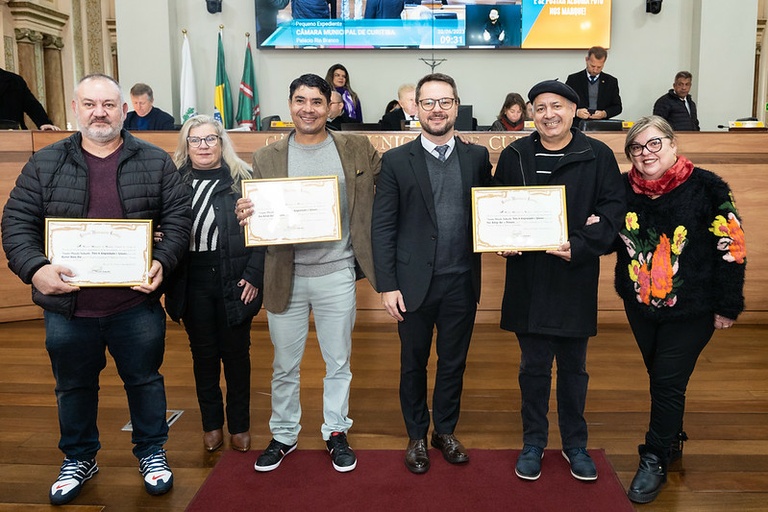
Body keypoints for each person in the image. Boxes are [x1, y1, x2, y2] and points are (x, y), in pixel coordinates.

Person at [0, 73, 191, 505]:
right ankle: (80, 457)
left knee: (144, 381)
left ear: (124, 110)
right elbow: (15, 224)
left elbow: (179, 221)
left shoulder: (155, 161)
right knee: (73, 387)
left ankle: (151, 452)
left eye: (108, 104)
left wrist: (164, 261)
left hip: (135, 303)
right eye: (90, 104)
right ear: (75, 108)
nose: (99, 112)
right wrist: (35, 270)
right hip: (68, 307)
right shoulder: (45, 163)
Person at [235, 73, 380, 473]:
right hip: (285, 275)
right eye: (300, 101)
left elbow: (386, 193)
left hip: (338, 273)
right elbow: (257, 215)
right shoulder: (266, 158)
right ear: (290, 104)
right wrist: (246, 214)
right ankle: (283, 434)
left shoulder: (356, 148)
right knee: (284, 364)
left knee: (339, 362)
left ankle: (336, 430)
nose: (308, 109)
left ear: (331, 105)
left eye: (317, 101)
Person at [494, 79, 625, 483]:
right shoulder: (515, 154)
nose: (548, 114)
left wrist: (583, 243)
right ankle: (533, 442)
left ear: (573, 111)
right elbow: (496, 205)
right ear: (531, 112)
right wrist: (500, 238)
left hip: (574, 277)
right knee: (532, 368)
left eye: (557, 106)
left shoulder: (597, 155)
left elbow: (613, 213)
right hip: (529, 280)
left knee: (574, 369)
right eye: (540, 107)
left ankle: (575, 445)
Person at [616, 115, 746, 503]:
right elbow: (613, 237)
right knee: (662, 375)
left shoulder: (707, 186)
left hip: (693, 306)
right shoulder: (622, 188)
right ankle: (671, 440)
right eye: (637, 148)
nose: (646, 153)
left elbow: (732, 247)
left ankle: (654, 456)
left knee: (667, 381)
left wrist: (728, 304)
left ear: (673, 145)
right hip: (639, 304)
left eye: (654, 143)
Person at [371, 73, 493, 474]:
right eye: (428, 102)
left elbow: (490, 211)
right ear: (414, 108)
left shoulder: (476, 158)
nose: (437, 109)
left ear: (457, 106)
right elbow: (383, 226)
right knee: (413, 363)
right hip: (413, 285)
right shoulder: (395, 161)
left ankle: (445, 431)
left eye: (445, 102)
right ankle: (416, 437)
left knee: (454, 362)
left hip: (462, 280)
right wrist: (387, 285)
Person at [165, 115, 265, 454]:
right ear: (186, 144)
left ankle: (239, 425)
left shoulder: (243, 179)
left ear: (222, 143)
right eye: (196, 140)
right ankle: (212, 424)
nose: (203, 146)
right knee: (203, 355)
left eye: (210, 139)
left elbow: (263, 235)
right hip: (190, 277)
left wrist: (253, 274)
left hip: (235, 275)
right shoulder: (173, 181)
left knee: (237, 355)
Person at [565, 46, 623, 121]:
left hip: (601, 125)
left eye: (599, 67)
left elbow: (617, 107)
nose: (595, 70)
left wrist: (604, 113)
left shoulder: (611, 82)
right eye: (592, 66)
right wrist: (576, 112)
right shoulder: (573, 79)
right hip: (578, 124)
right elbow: (564, 103)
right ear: (586, 60)